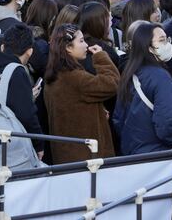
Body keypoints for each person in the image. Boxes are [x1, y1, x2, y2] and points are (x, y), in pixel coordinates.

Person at [43, 24, 119, 163]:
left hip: (67, 155)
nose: (86, 45)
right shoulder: (75, 77)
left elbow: (75, 108)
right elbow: (112, 83)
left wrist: (98, 111)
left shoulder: (54, 76)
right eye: (81, 41)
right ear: (68, 47)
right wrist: (101, 57)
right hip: (88, 158)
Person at [112, 22, 172, 155]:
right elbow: (166, 124)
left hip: (132, 150)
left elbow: (118, 119)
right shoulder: (160, 76)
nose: (167, 45)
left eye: (167, 40)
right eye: (162, 40)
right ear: (149, 47)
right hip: (157, 153)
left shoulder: (130, 72)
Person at [0, 23, 44, 156]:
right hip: (9, 146)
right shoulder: (17, 71)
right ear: (29, 51)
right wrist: (38, 145)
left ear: (2, 47)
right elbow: (27, 114)